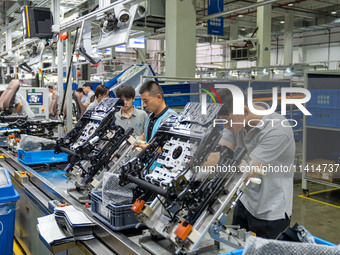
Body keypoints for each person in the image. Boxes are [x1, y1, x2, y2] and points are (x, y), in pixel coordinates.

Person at [216, 88, 295, 239]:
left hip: (271, 211)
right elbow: (222, 152)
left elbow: (248, 171)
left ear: (245, 111)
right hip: (244, 201)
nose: (225, 126)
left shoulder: (278, 129)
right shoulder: (236, 121)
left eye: (226, 120)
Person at [137, 80, 177, 149]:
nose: (144, 105)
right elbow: (145, 136)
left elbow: (171, 148)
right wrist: (133, 142)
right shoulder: (151, 116)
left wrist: (148, 148)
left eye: (146, 101)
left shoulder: (171, 118)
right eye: (143, 101)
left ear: (158, 97)